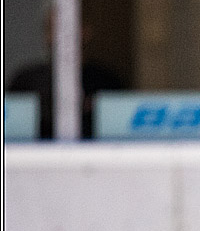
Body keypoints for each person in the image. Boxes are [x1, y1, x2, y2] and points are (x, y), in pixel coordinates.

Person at [6, 9, 125, 139]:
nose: (61, 35)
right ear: (46, 34)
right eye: (53, 28)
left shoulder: (106, 80)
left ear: (86, 31)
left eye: (68, 26)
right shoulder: (26, 80)